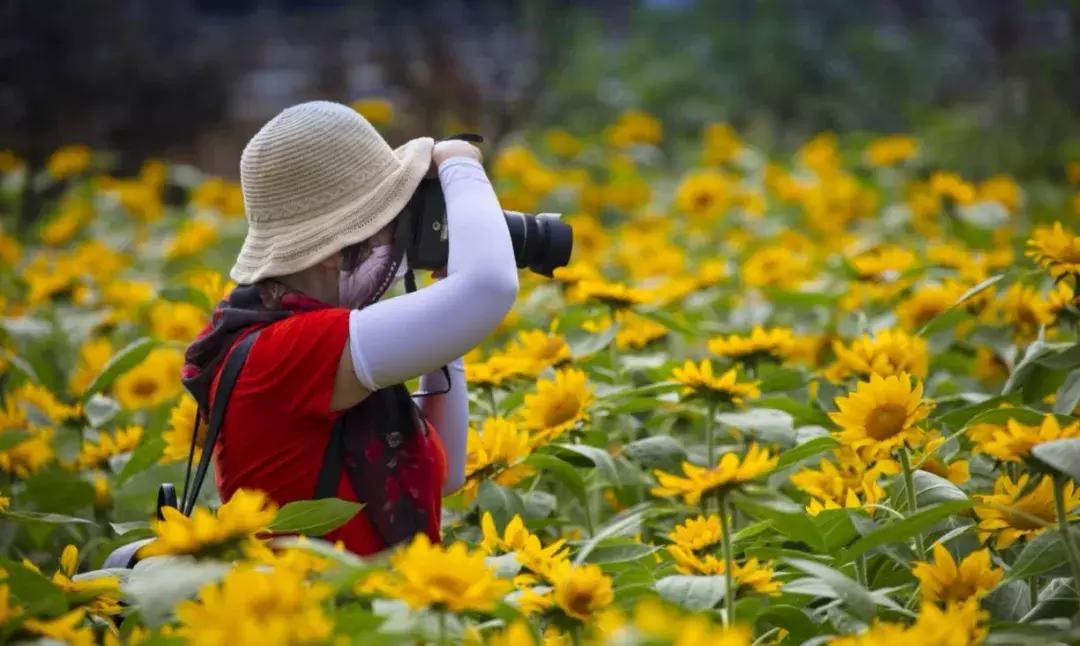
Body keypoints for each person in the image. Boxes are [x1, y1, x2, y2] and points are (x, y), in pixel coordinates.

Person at [180, 100, 518, 555]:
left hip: (372, 614)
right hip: (326, 619)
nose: (396, 243)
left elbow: (449, 473)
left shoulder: (297, 335)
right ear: (329, 250)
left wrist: (447, 326)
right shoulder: (289, 350)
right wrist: (460, 163)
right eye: (385, 225)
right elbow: (490, 286)